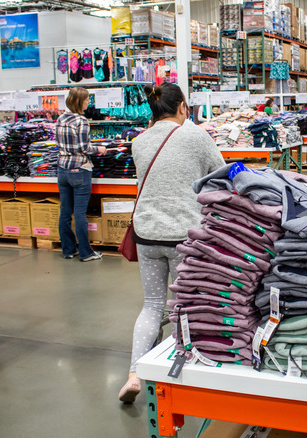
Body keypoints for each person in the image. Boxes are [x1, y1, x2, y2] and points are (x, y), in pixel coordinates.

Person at [119, 83, 225, 403]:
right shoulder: (196, 136)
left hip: (146, 234)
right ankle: (183, 372)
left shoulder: (139, 142)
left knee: (152, 305)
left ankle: (135, 374)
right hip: (183, 236)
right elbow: (220, 174)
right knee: (185, 305)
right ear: (182, 107)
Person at [56, 87, 106, 262]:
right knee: (79, 213)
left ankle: (69, 249)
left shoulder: (61, 118)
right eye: (86, 100)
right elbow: (84, 148)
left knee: (65, 212)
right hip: (79, 169)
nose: (88, 103)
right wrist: (99, 149)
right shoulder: (81, 120)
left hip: (62, 169)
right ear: (79, 101)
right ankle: (86, 252)